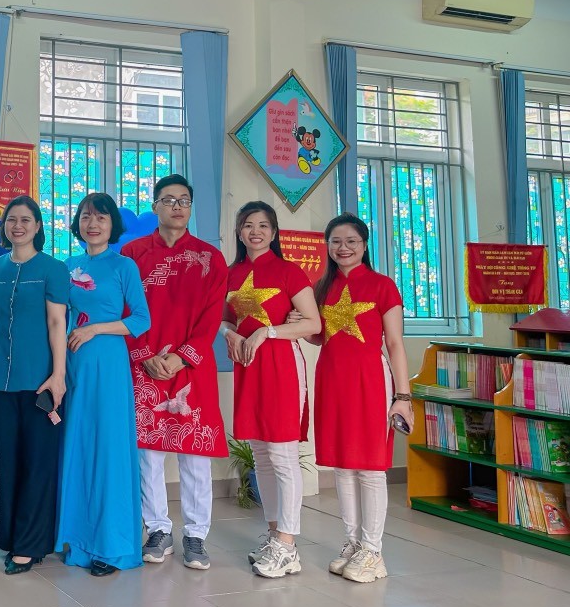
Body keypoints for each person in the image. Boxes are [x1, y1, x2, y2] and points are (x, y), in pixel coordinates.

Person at [294, 213, 412, 583]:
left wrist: (403, 396)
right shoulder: (321, 287)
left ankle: (373, 552)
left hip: (370, 381)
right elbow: (319, 336)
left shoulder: (382, 286)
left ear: (364, 245)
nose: (343, 248)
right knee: (343, 466)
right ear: (327, 246)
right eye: (336, 241)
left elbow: (395, 343)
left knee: (371, 468)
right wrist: (298, 324)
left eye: (351, 241)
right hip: (331, 380)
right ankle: (353, 543)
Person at [123, 173, 228, 571]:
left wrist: (182, 357)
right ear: (155, 207)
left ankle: (196, 535)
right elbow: (123, 307)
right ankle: (157, 530)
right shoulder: (132, 254)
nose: (177, 207)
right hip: (145, 364)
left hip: (191, 367)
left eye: (184, 200)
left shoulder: (210, 257)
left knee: (194, 453)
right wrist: (145, 353)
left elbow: (212, 316)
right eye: (168, 200)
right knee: (148, 453)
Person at [221, 200, 321, 579]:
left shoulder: (289, 271)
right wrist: (229, 333)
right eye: (248, 225)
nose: (256, 231)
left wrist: (268, 331)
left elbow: (312, 323)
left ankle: (288, 545)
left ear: (274, 232)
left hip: (281, 368)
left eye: (263, 225)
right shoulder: (231, 273)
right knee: (262, 456)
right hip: (248, 368)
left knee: (282, 455)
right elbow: (222, 320)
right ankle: (274, 534)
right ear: (239, 231)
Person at [57, 193, 150, 576]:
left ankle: (111, 546)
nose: (92, 224)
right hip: (73, 364)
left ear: (112, 225)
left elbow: (141, 319)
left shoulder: (124, 265)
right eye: (86, 216)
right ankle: (79, 542)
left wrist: (95, 329)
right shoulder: (67, 266)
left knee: (109, 450)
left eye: (100, 217)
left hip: (109, 364)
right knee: (78, 446)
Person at [0, 195, 68, 575]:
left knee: (38, 461)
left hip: (41, 381)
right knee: (7, 460)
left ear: (38, 226)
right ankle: (11, 536)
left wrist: (58, 375)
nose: (17, 226)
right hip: (1, 380)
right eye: (11, 220)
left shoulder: (53, 269)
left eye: (25, 220)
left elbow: (57, 323)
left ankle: (31, 544)